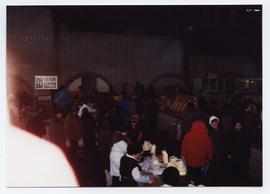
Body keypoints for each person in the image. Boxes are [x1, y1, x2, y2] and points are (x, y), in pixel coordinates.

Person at [181, 120, 213, 186]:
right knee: (199, 179)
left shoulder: (188, 135)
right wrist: (209, 158)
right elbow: (210, 151)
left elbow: (183, 150)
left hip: (189, 162)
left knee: (190, 177)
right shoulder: (207, 138)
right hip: (201, 163)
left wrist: (183, 159)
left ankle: (190, 184)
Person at [226, 121, 252, 185]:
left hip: (242, 154)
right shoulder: (231, 133)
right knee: (234, 168)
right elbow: (227, 144)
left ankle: (242, 181)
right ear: (234, 126)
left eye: (239, 125)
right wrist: (228, 153)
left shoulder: (244, 133)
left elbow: (247, 145)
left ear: (241, 126)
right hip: (234, 154)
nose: (238, 127)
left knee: (242, 169)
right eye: (236, 125)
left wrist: (248, 153)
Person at [207, 115, 227, 185]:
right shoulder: (209, 131)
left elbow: (223, 139)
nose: (215, 123)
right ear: (210, 123)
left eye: (216, 122)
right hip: (213, 151)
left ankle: (216, 179)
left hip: (219, 150)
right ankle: (211, 180)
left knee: (218, 165)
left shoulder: (220, 129)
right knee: (212, 166)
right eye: (213, 122)